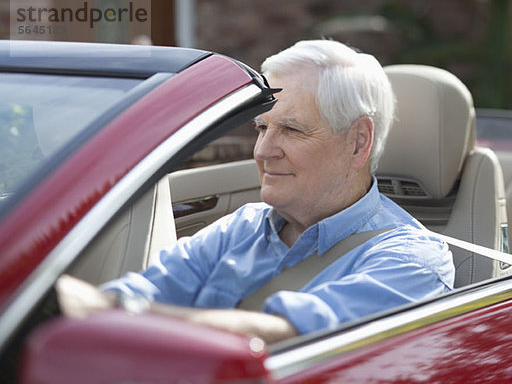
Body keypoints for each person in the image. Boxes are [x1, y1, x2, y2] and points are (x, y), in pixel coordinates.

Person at [57, 39, 455, 344]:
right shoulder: (241, 227)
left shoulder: (413, 261)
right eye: (262, 128)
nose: (262, 151)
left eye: (292, 130)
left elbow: (290, 337)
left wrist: (109, 310)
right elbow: (148, 288)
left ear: (357, 143)